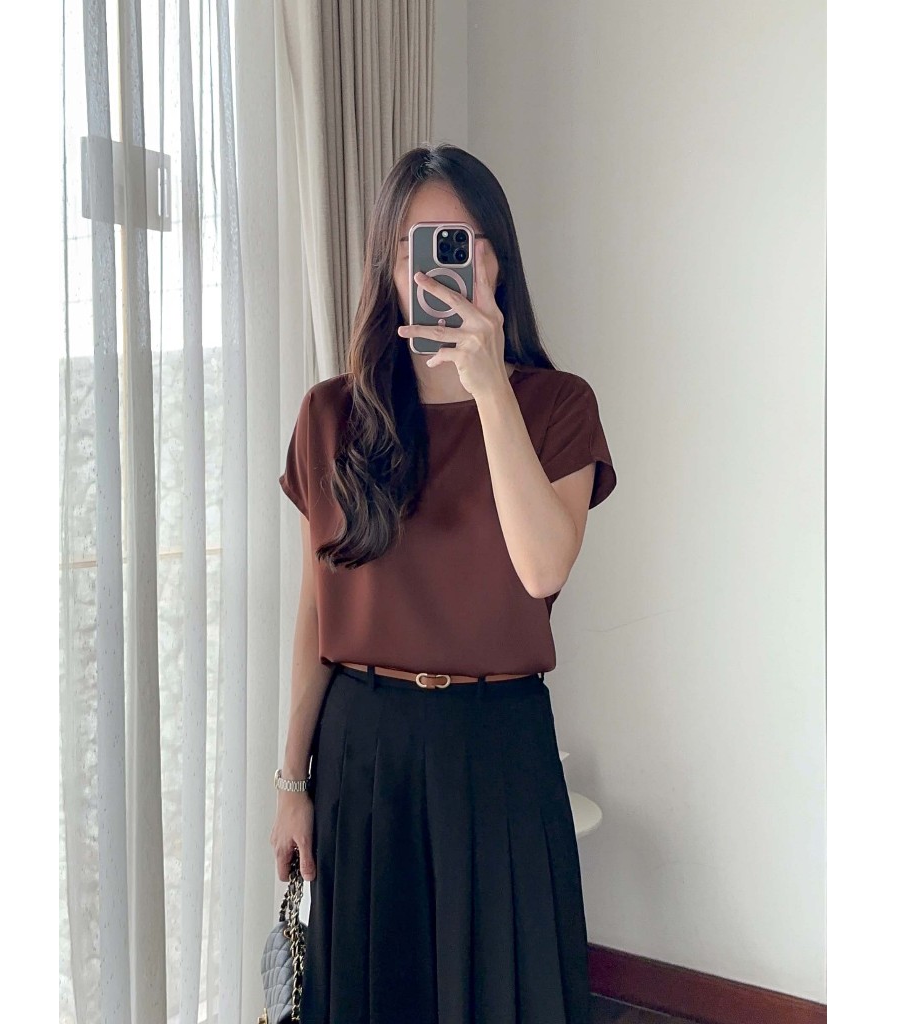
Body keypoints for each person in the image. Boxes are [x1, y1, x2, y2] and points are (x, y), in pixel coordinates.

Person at [271, 143, 617, 1024]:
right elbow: (317, 610)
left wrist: (489, 389)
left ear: (497, 261)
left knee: (507, 993)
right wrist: (291, 782)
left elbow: (543, 567)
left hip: (497, 744)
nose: (437, 270)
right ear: (387, 270)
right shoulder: (330, 415)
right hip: (362, 748)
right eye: (415, 248)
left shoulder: (557, 405)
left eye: (461, 245)